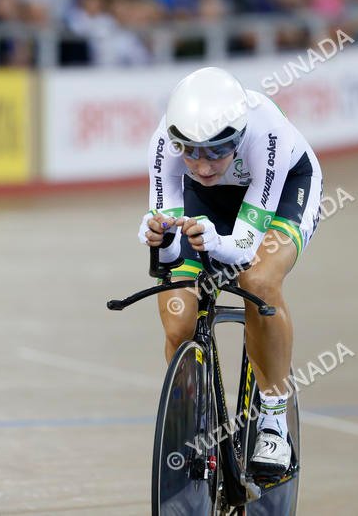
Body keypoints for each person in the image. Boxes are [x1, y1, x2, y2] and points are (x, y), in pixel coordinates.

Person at [138, 67, 322, 480]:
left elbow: (243, 247)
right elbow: (166, 251)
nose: (202, 166)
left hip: (280, 196)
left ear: (238, 138)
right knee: (178, 318)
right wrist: (158, 236)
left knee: (257, 281)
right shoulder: (163, 144)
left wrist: (211, 242)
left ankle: (273, 420)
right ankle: (194, 421)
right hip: (205, 205)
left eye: (217, 152)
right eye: (191, 152)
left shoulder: (268, 133)